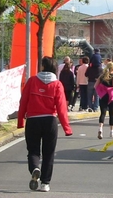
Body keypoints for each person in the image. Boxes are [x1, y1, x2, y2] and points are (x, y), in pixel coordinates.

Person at [17, 56, 73, 192]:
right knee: (49, 153)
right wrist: (67, 128)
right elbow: (61, 108)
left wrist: (20, 121)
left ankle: (35, 168)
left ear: (42, 66)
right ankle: (45, 183)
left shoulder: (32, 81)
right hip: (50, 121)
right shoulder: (57, 84)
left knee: (33, 150)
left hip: (33, 120)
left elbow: (23, 101)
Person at [95, 62, 113, 139]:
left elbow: (95, 85)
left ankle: (100, 129)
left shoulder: (101, 76)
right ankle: (112, 131)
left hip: (103, 96)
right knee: (111, 113)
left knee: (103, 113)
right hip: (111, 96)